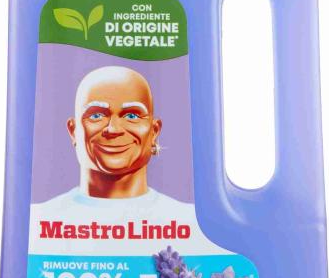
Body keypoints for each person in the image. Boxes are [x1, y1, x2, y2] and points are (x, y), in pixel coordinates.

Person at [29, 66, 224, 255]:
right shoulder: (37, 223)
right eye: (96, 115)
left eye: (132, 115)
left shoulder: (190, 224)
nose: (113, 129)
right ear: (73, 131)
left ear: (154, 131)